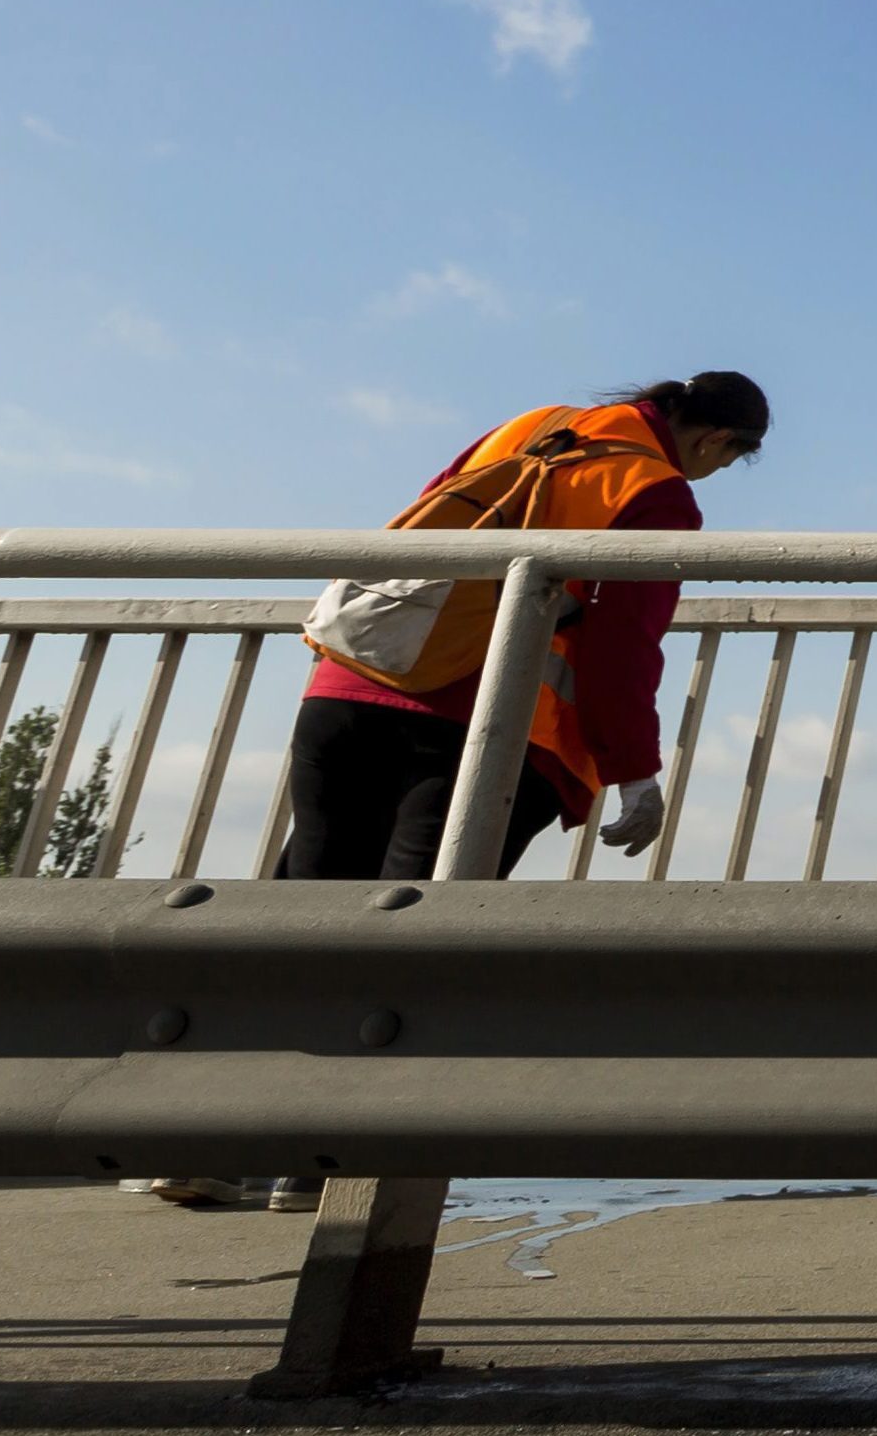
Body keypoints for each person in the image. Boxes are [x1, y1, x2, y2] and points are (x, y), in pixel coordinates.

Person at [142, 374, 763, 1214]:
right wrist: (635, 772)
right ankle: (324, 1170)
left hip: (351, 689)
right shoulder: (655, 493)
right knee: (411, 944)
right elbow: (622, 648)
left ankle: (209, 1147)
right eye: (722, 464)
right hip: (487, 733)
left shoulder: (540, 425)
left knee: (299, 920)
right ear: (715, 442)